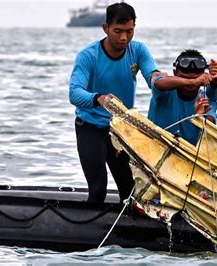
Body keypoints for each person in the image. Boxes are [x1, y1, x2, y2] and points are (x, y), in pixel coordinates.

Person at [69, 2, 160, 203]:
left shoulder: (137, 50)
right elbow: (74, 94)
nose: (123, 38)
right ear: (106, 28)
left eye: (129, 31)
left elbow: (153, 77)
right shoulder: (88, 55)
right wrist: (98, 98)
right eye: (118, 31)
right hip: (90, 128)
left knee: (130, 192)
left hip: (121, 130)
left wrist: (181, 82)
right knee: (98, 189)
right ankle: (92, 231)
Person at [148, 49, 217, 145]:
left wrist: (200, 118)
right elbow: (158, 83)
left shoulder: (205, 99)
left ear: (204, 76)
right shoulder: (164, 91)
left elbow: (212, 130)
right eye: (184, 77)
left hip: (187, 154)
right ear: (174, 72)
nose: (191, 84)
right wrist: (194, 82)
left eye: (195, 78)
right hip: (155, 145)